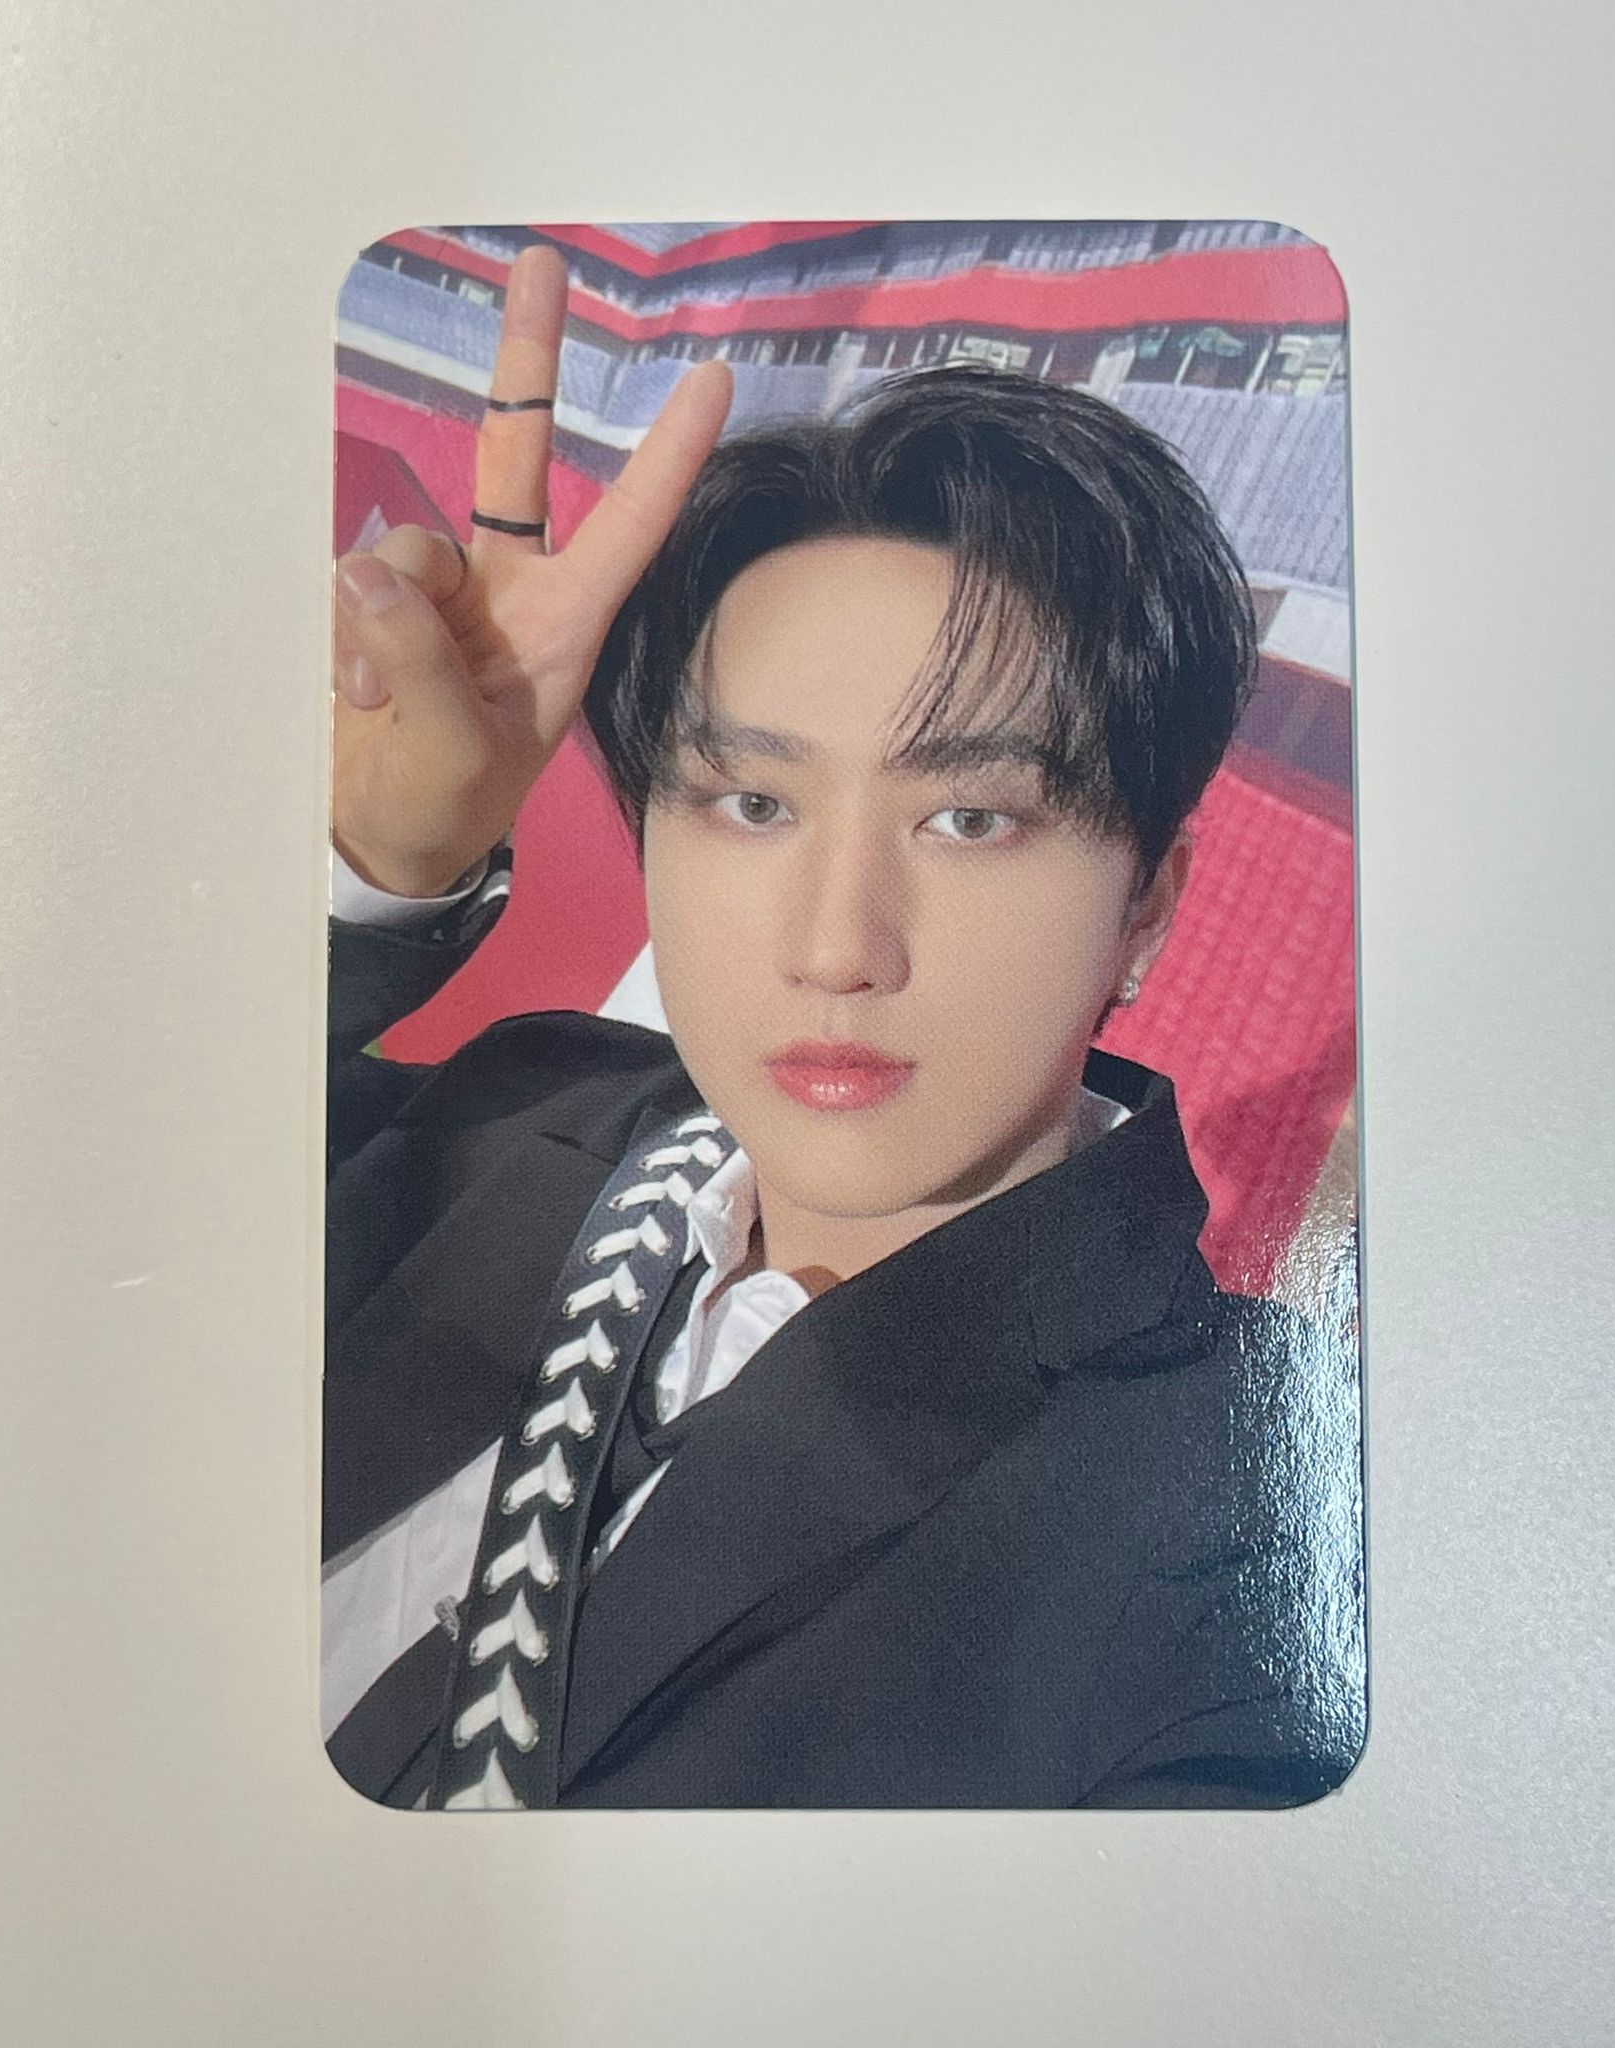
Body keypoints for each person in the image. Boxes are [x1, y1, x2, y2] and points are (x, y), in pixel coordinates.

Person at [322, 244, 1364, 1810]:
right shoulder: (518, 1102)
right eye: (752, 802)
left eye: (970, 820)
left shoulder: (1243, 1538)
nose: (834, 950)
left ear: (1146, 906)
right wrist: (371, 879)